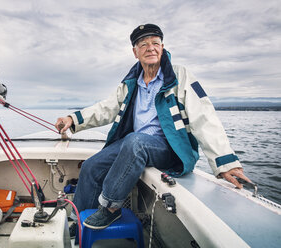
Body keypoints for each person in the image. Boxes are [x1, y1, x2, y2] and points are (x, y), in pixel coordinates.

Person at [55, 24, 251, 230]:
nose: (150, 48)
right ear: (135, 52)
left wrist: (225, 164)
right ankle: (76, 223)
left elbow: (204, 116)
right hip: (136, 144)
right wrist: (73, 119)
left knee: (134, 142)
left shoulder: (179, 76)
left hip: (169, 148)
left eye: (155, 43)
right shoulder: (131, 81)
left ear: (162, 47)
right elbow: (107, 107)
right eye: (144, 44)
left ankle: (111, 209)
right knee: (91, 167)